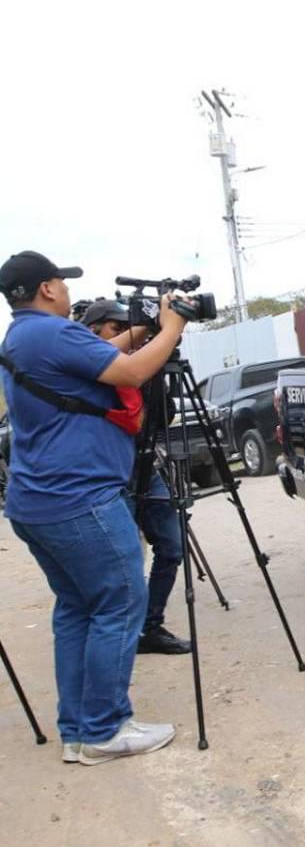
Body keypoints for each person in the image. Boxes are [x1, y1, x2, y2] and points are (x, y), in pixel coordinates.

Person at [0, 250, 190, 765]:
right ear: (46, 288)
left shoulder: (23, 336)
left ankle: (78, 731)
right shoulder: (53, 333)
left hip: (38, 502)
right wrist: (171, 328)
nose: (65, 290)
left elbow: (99, 356)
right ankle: (106, 729)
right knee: (120, 602)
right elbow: (129, 375)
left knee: (78, 610)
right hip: (78, 499)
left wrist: (145, 325)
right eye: (61, 282)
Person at [81, 299, 192, 655]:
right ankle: (116, 633)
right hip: (108, 471)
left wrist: (157, 362)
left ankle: (150, 626)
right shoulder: (85, 361)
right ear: (93, 330)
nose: (129, 339)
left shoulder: (137, 363)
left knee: (172, 546)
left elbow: (160, 418)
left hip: (144, 462)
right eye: (118, 330)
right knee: (122, 561)